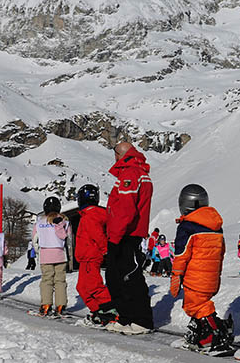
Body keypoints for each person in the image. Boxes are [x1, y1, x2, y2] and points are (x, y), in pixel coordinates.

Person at [170, 184, 233, 354]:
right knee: (202, 304)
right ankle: (206, 331)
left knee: (195, 306)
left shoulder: (187, 227)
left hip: (194, 277)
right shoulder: (216, 226)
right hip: (212, 278)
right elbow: (222, 252)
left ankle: (213, 335)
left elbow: (181, 255)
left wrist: (176, 275)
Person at [104, 141, 154, 335]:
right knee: (117, 278)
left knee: (129, 277)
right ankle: (126, 317)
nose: (114, 157)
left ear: (120, 154)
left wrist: (115, 236)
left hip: (126, 234)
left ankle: (141, 319)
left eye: (115, 153)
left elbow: (125, 208)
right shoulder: (135, 172)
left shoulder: (131, 173)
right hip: (125, 232)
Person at [74, 184, 118, 327]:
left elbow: (97, 234)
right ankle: (97, 310)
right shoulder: (90, 214)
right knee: (81, 287)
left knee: (94, 286)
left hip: (90, 256)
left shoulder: (90, 216)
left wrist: (105, 249)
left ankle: (109, 309)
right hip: (85, 257)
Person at [33, 196, 71, 317]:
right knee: (60, 281)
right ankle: (60, 305)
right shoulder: (65, 222)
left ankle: (46, 305)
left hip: (46, 255)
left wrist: (39, 253)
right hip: (60, 255)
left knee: (47, 281)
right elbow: (68, 239)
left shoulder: (39, 223)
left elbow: (35, 241)